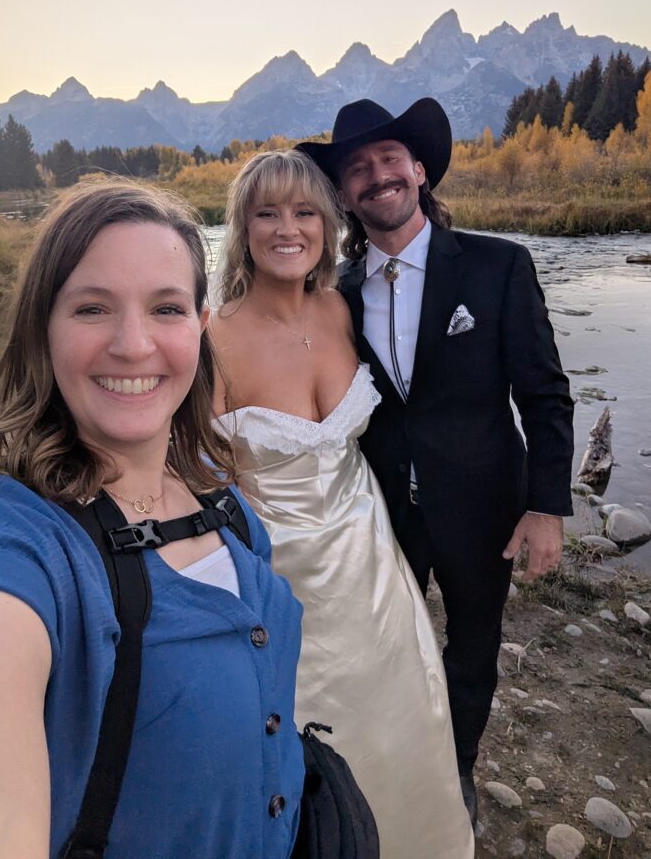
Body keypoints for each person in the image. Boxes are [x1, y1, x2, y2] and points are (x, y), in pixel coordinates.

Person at [0, 181, 304, 859]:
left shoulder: (223, 502)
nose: (134, 345)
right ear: (43, 330)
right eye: (93, 308)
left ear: (200, 325)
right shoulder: (5, 552)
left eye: (166, 307)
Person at [297, 97, 575, 821]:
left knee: (472, 648)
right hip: (381, 511)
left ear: (419, 171)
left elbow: (545, 395)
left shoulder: (498, 266)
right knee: (387, 645)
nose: (376, 176)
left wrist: (547, 508)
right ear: (345, 196)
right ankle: (395, 765)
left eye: (390, 159)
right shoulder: (337, 297)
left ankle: (457, 770)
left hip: (486, 505)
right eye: (357, 168)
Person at [210, 149, 475, 859]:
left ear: (329, 225)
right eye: (267, 213)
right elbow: (206, 480)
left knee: (402, 717)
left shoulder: (339, 306)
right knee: (313, 738)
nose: (287, 228)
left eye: (304, 212)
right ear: (242, 228)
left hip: (372, 557)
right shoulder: (215, 338)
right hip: (286, 576)